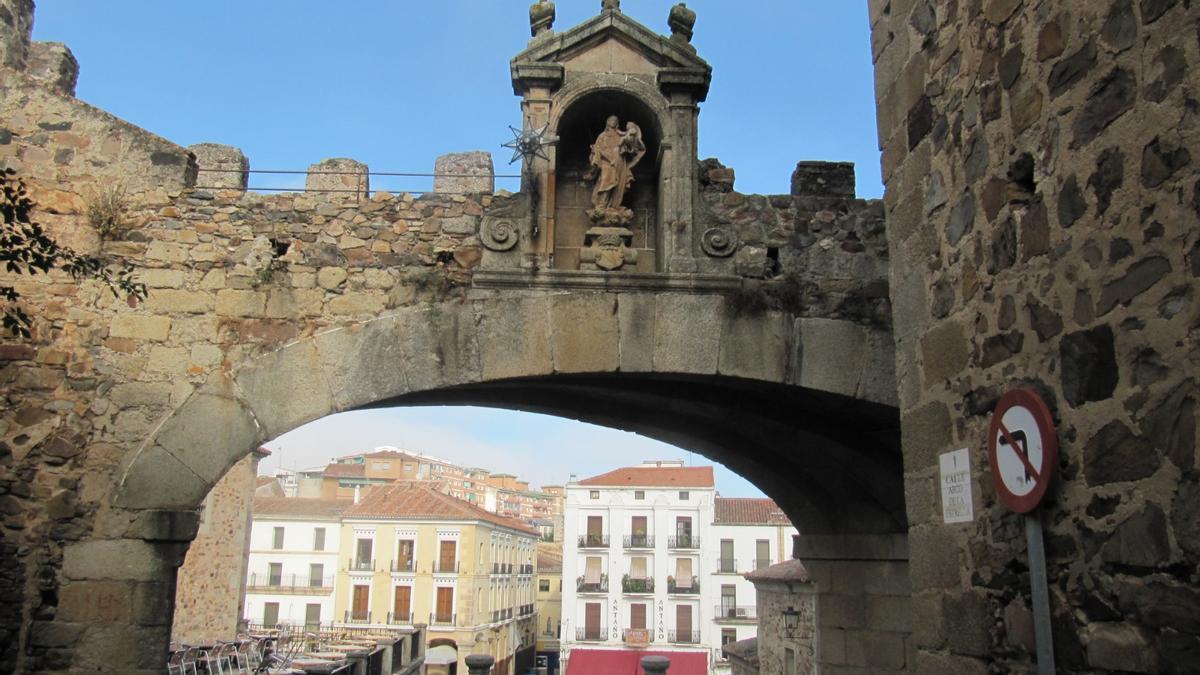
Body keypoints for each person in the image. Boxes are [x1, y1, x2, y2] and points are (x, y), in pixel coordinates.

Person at [587, 116, 645, 215]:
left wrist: (628, 144)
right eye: (611, 120)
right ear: (607, 122)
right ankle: (602, 205)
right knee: (606, 181)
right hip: (606, 162)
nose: (613, 121)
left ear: (617, 123)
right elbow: (597, 148)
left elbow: (631, 146)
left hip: (620, 161)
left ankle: (614, 205)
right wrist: (598, 159)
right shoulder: (602, 136)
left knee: (619, 184)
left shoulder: (620, 134)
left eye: (615, 120)